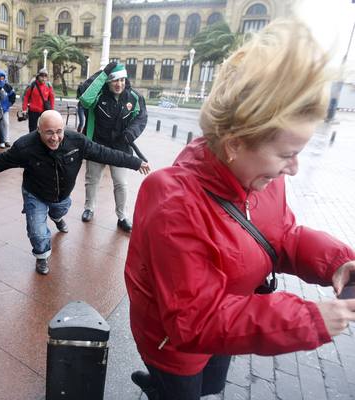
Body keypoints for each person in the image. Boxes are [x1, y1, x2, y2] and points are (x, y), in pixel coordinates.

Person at [124, 20, 355, 400]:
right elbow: (194, 319)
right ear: (234, 145)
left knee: (211, 383)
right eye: (287, 154)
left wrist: (336, 262)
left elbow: (283, 236)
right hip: (174, 343)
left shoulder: (263, 177)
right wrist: (309, 319)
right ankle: (159, 385)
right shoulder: (172, 201)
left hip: (230, 324)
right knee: (180, 389)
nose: (293, 168)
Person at [0, 110, 150, 275]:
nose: (55, 138)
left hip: (62, 196)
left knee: (59, 210)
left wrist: (135, 162)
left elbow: (105, 153)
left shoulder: (76, 142)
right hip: (35, 193)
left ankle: (57, 218)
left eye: (59, 132)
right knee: (38, 233)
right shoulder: (25, 147)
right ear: (39, 130)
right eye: (49, 132)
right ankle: (42, 256)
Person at [79, 62, 147, 232]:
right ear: (108, 82)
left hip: (120, 147)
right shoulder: (98, 95)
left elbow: (141, 117)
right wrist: (103, 74)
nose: (119, 84)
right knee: (92, 180)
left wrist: (131, 132)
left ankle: (122, 216)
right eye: (115, 80)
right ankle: (89, 208)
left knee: (121, 183)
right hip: (97, 144)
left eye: (122, 80)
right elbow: (85, 100)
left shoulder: (134, 97)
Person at [22, 68, 55, 132]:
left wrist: (52, 110)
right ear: (38, 76)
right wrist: (24, 109)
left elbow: (51, 98)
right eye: (42, 76)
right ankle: (32, 141)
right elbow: (26, 97)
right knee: (32, 129)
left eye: (45, 76)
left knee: (45, 128)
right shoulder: (33, 85)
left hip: (44, 111)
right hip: (33, 111)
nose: (43, 78)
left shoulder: (48, 85)